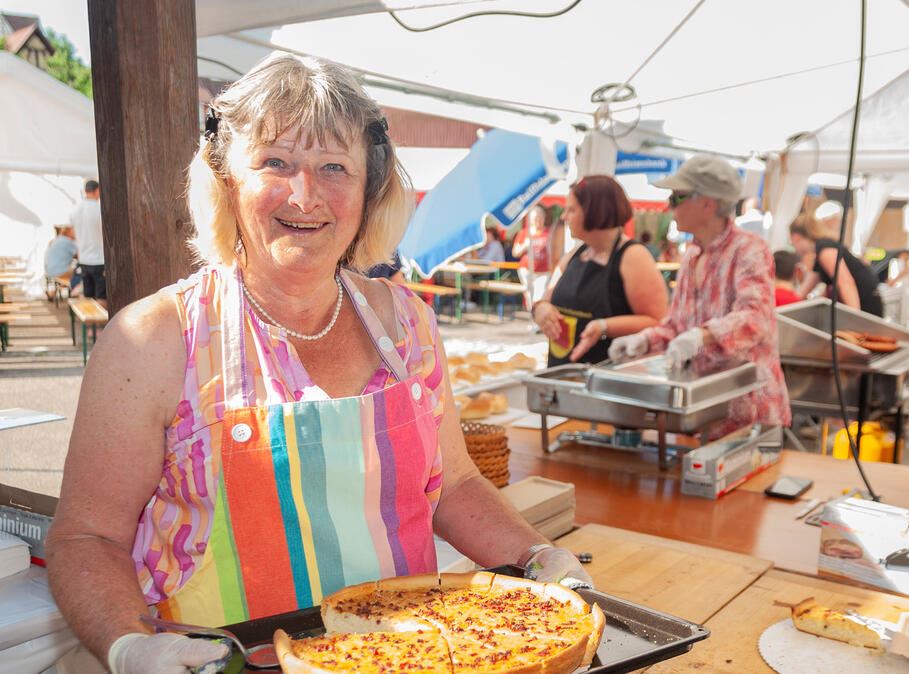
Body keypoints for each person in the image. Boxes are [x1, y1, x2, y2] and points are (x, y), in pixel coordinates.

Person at [46, 54, 590, 673]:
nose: (305, 195)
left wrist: (538, 557)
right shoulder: (154, 339)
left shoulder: (407, 325)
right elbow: (87, 537)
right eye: (275, 162)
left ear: (368, 190)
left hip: (403, 660)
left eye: (334, 167)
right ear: (227, 179)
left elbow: (455, 486)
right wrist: (129, 645)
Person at [607, 155, 790, 438]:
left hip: (750, 412)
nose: (670, 205)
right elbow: (677, 327)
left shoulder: (749, 249)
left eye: (677, 197)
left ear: (707, 203)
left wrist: (702, 336)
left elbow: (756, 318)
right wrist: (644, 340)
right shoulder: (692, 255)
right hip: (705, 409)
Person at [533, 175, 668, 365]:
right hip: (563, 372)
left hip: (608, 374)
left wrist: (604, 326)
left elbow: (657, 321)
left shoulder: (632, 256)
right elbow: (545, 299)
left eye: (571, 210)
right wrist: (540, 309)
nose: (564, 217)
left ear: (594, 211)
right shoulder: (575, 255)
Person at [788, 203, 883, 316]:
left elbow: (846, 283)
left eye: (793, 243)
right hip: (865, 300)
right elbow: (803, 291)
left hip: (866, 303)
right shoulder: (820, 254)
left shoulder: (825, 249)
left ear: (797, 237)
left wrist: (854, 317)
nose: (795, 249)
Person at [70, 179, 107, 308]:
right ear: (97, 191)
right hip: (100, 259)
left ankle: (90, 321)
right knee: (101, 298)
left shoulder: (75, 210)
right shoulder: (100, 209)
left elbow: (72, 234)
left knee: (88, 297)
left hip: (84, 259)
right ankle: (101, 322)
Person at [513, 204, 554, 309]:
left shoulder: (549, 233)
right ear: (530, 220)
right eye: (535, 218)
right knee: (529, 296)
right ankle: (532, 314)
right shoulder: (524, 233)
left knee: (539, 296)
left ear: (544, 218)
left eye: (540, 218)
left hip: (543, 271)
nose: (538, 221)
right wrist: (525, 245)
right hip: (526, 270)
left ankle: (535, 314)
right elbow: (515, 253)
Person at [44, 225, 79, 296]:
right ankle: (77, 290)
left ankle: (54, 291)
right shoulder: (67, 241)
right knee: (83, 272)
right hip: (59, 271)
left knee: (77, 270)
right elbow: (80, 256)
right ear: (69, 232)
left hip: (49, 271)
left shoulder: (56, 240)